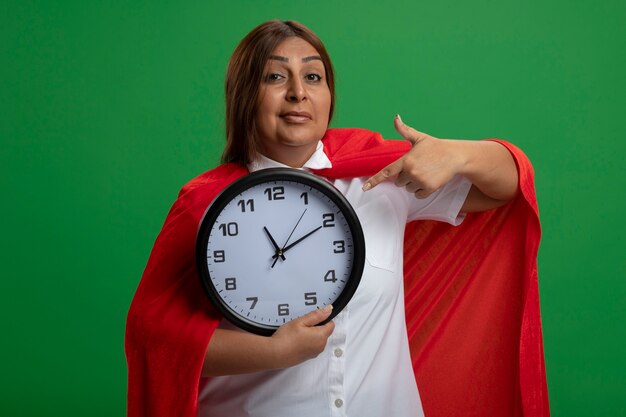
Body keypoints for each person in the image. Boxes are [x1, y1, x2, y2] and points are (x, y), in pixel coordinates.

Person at [125, 20, 550, 417]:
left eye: (313, 77)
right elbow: (155, 341)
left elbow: (507, 187)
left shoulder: (382, 177)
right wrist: (273, 353)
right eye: (275, 77)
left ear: (329, 94)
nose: (298, 92)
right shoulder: (206, 205)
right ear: (243, 94)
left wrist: (460, 153)